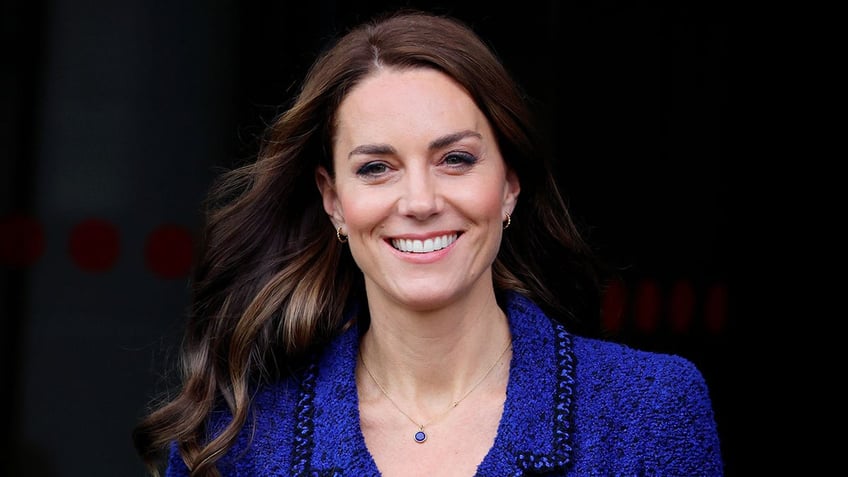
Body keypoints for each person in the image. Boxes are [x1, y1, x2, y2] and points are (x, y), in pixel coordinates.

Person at [133, 8, 723, 477]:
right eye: (376, 168)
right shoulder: (238, 439)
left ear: (509, 185)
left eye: (456, 159)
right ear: (333, 199)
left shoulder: (648, 410)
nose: (419, 201)